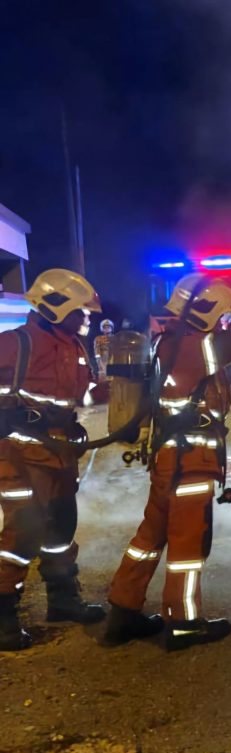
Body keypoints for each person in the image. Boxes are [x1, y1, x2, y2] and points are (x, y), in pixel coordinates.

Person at [104, 272, 231, 651]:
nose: (222, 322)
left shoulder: (170, 342)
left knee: (150, 537)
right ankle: (184, 624)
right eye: (220, 315)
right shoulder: (193, 348)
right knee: (188, 544)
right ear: (205, 311)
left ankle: (123, 612)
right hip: (190, 462)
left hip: (169, 458)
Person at [0, 268, 107, 651]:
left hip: (59, 455)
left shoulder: (74, 346)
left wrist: (127, 390)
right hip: (18, 456)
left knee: (61, 527)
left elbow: (84, 394)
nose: (86, 318)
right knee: (22, 533)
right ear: (55, 306)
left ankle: (63, 601)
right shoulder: (14, 343)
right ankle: (3, 617)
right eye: (81, 311)